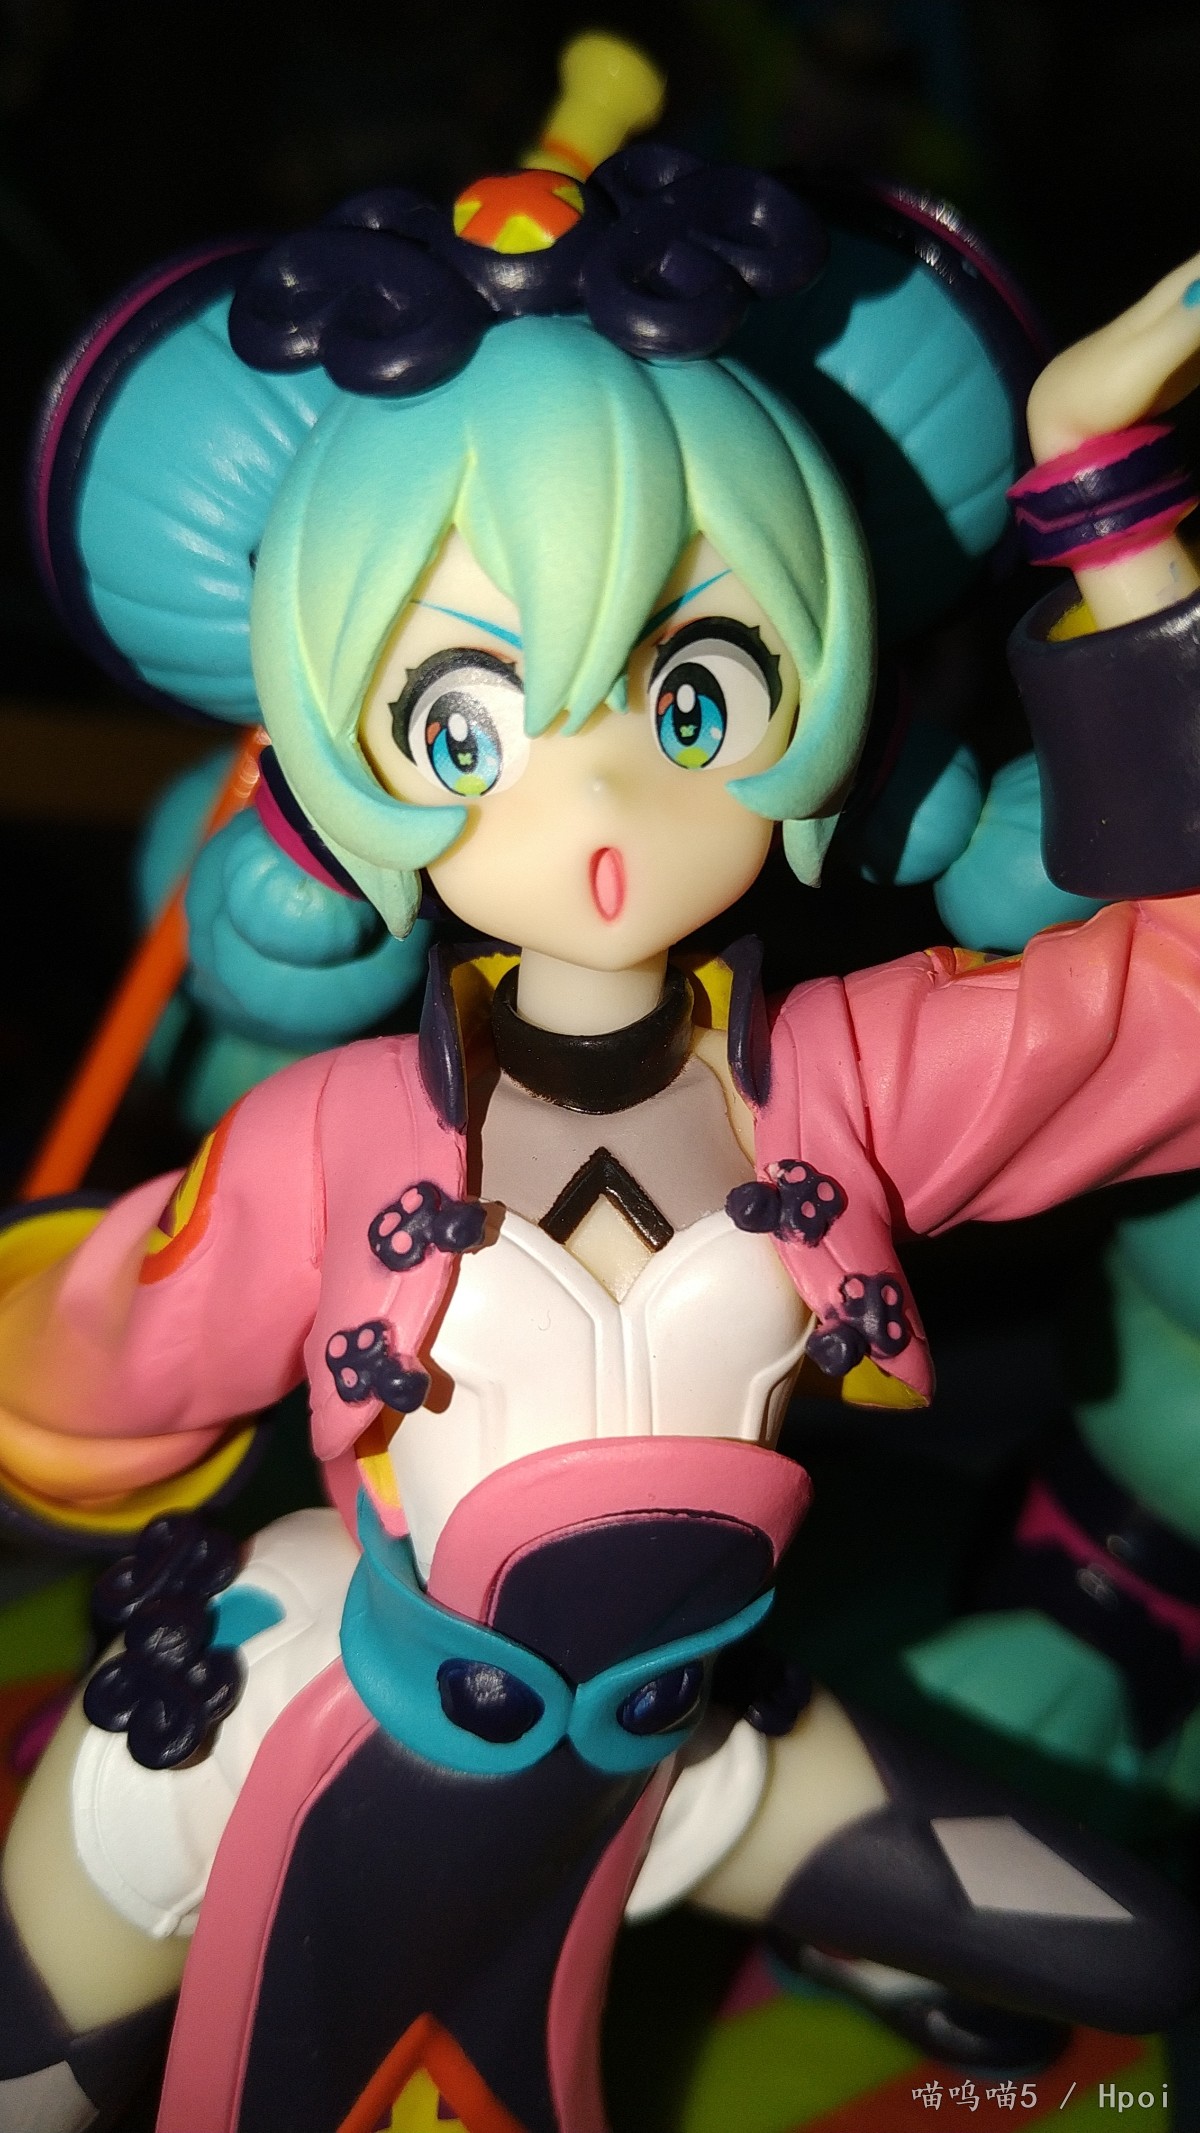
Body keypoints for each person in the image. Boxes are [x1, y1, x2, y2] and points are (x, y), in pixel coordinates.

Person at [2, 149, 1200, 2133]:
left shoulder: (851, 1079)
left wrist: (1113, 519)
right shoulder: (331, 1137)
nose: (604, 800)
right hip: (311, 1729)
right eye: (467, 727)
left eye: (695, 692)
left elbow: (1176, 996)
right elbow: (86, 1367)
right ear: (346, 758)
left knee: (1135, 1949)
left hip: (688, 1748)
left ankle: (824, 1928)